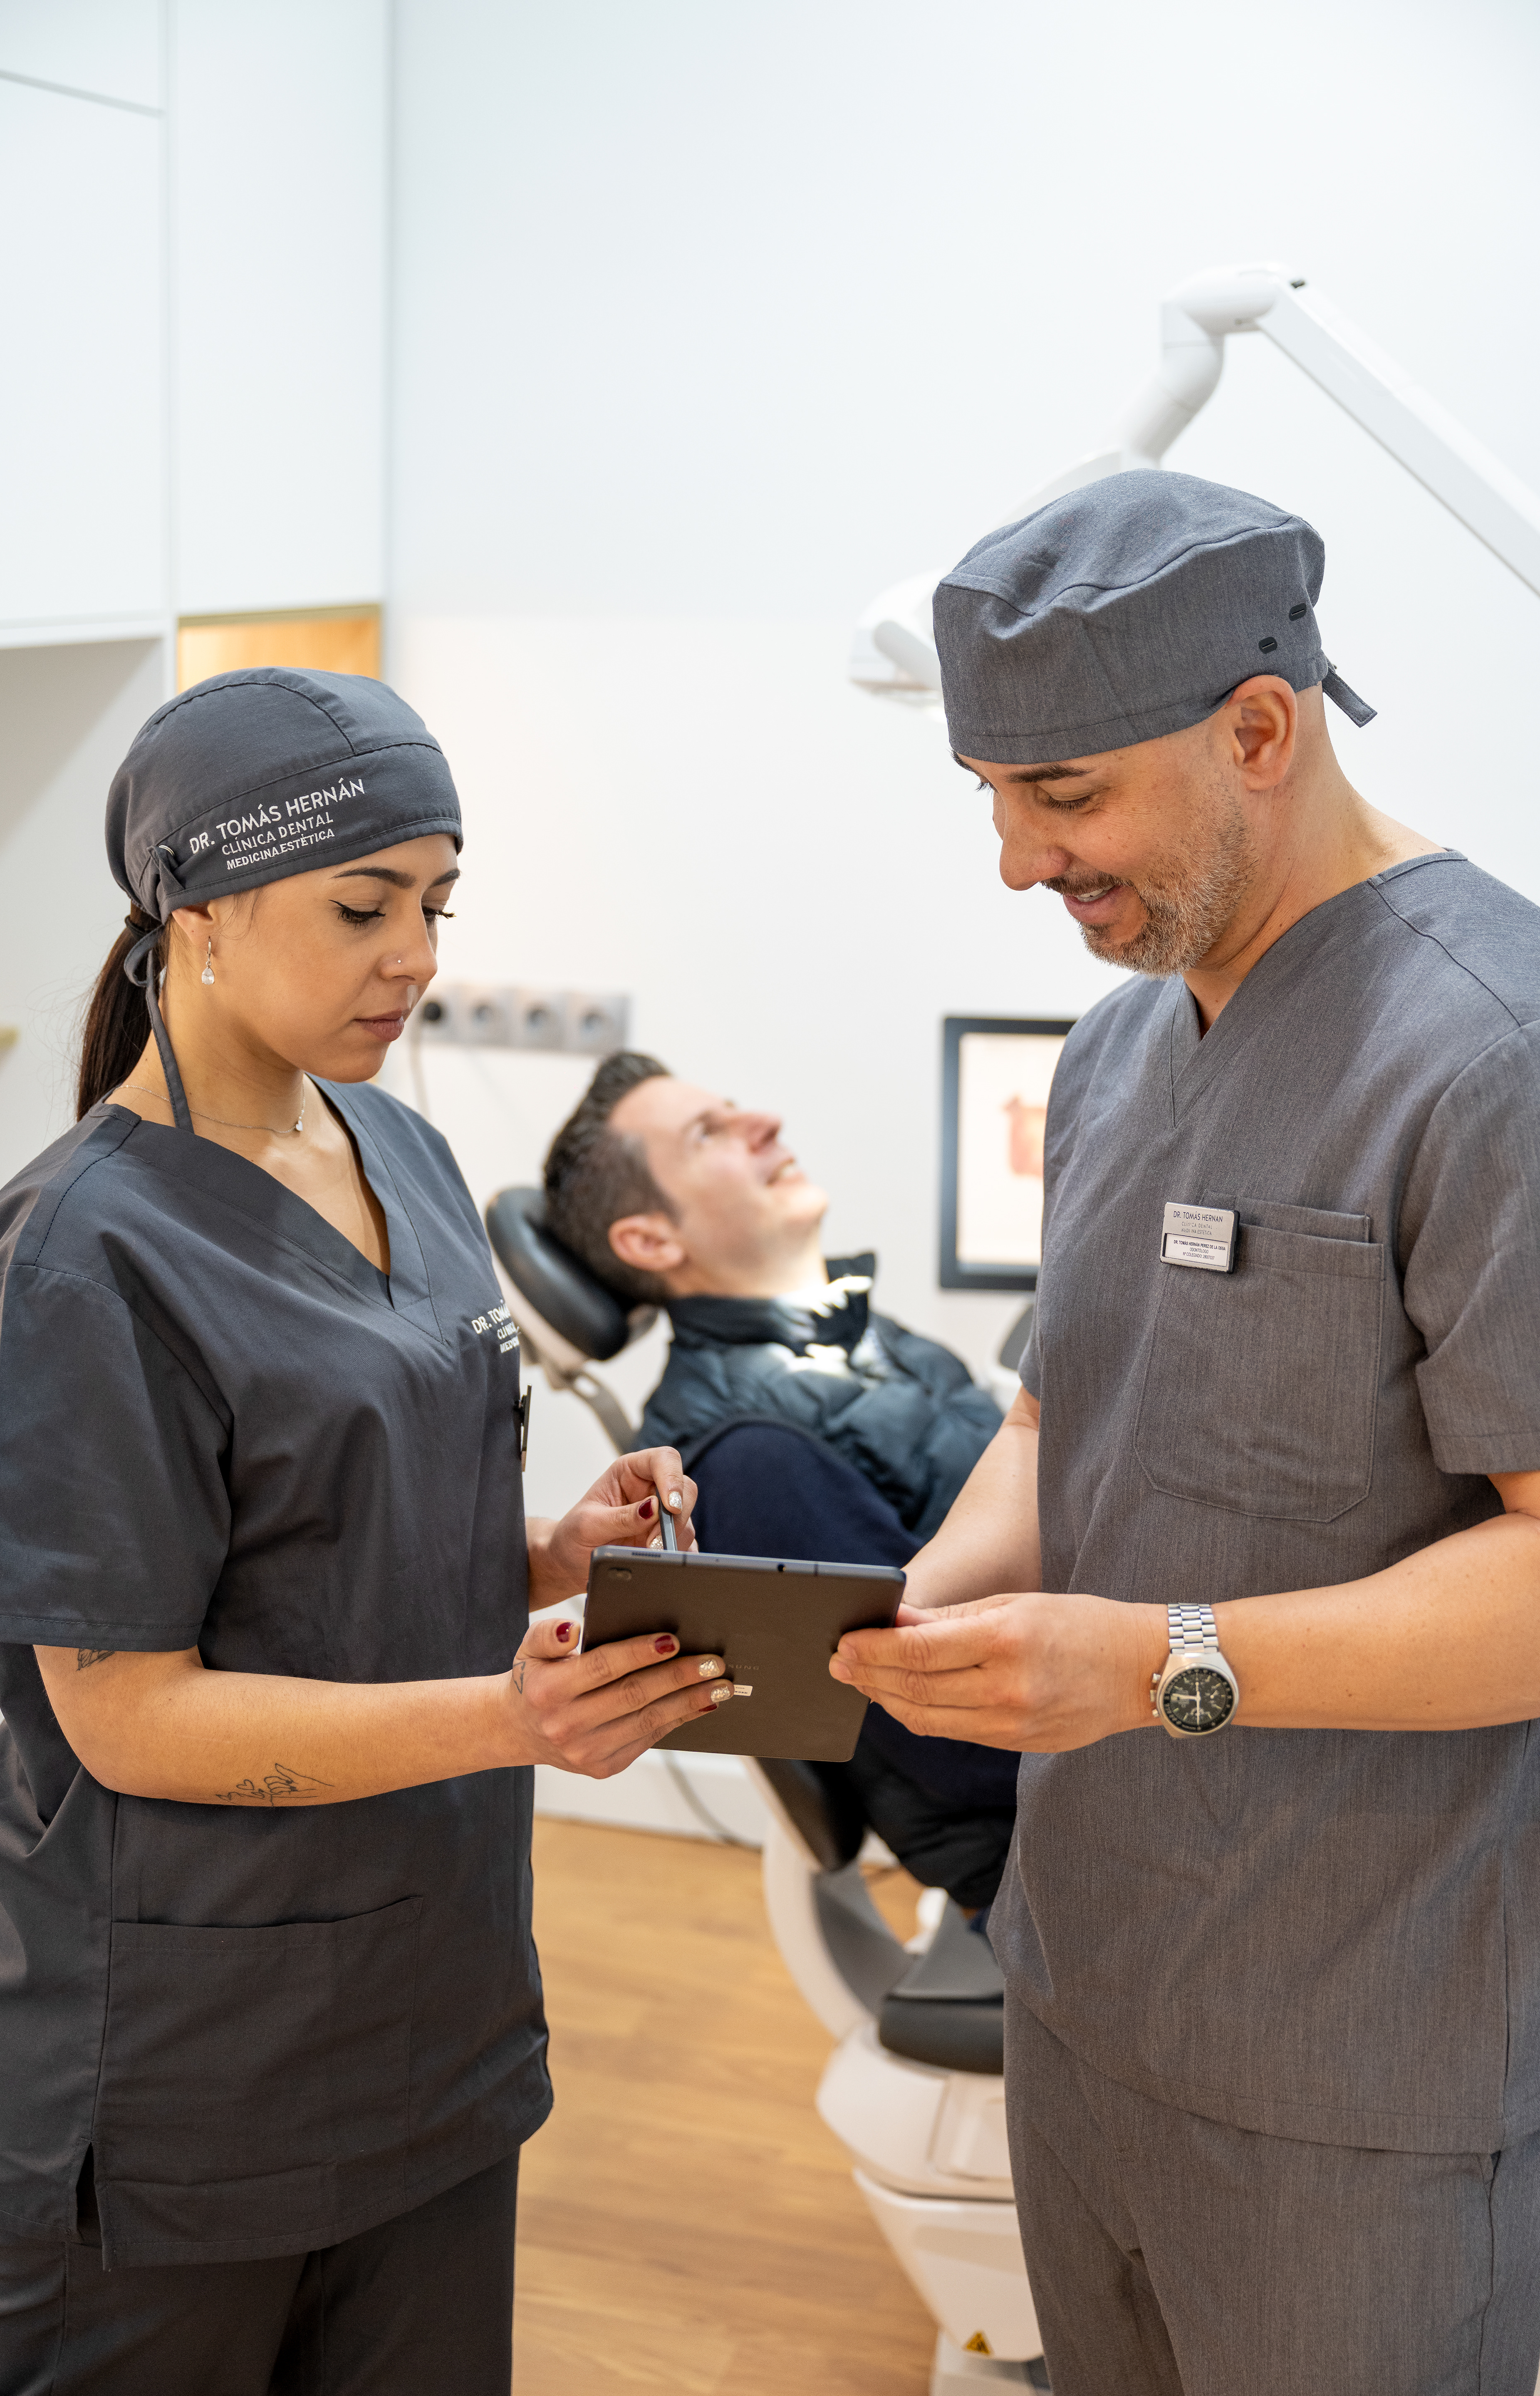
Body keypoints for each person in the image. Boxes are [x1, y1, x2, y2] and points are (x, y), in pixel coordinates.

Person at [829, 471, 1540, 2396]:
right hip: (1094, 1997)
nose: (1012, 860)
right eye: (990, 797)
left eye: (1063, 799)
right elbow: (1078, 1407)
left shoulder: (1489, 1049)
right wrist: (896, 1603)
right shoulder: (1121, 1039)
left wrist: (1158, 1667)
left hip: (1357, 2068)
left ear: (1257, 729)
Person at [0, 668, 732, 2396]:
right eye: (364, 906)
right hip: (179, 2076)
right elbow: (126, 1708)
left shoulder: (406, 1154)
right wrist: (510, 1718)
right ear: (197, 908)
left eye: (439, 906)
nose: (419, 955)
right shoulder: (84, 1257)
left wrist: (551, 1558)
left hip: (429, 2025)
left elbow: (354, 1536)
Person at [541, 1052, 1018, 1916]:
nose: (763, 1123)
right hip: (1043, 1841)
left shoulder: (865, 1339)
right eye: (709, 1134)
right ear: (652, 1240)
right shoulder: (741, 1458)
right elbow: (947, 1729)